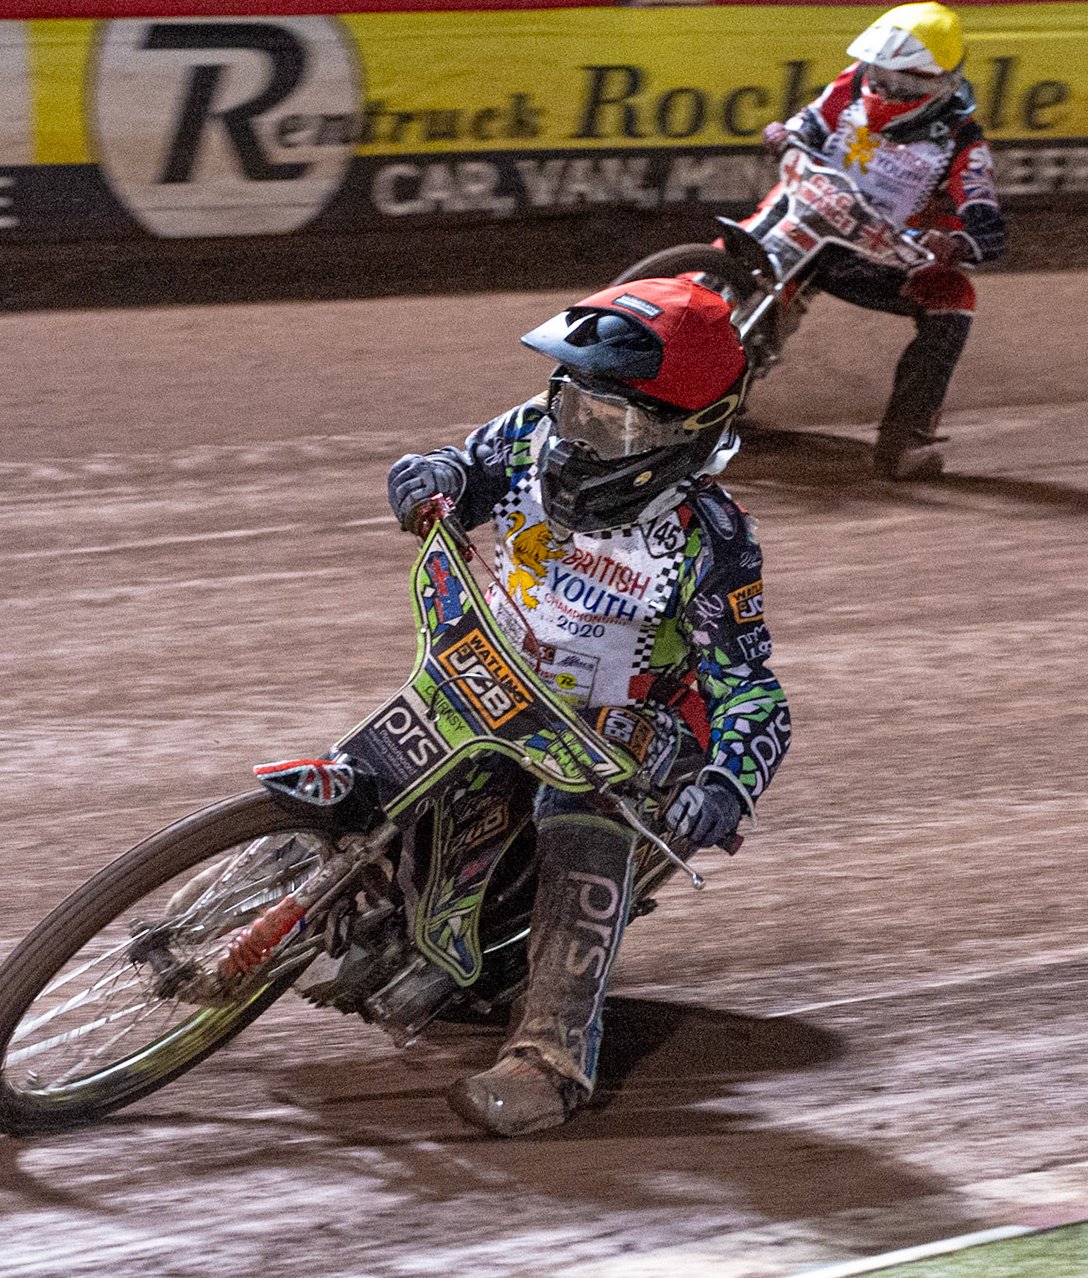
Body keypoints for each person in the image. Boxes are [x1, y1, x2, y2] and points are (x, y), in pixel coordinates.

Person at [386, 277, 791, 1136]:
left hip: (630, 737)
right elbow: (466, 470)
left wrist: (727, 783)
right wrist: (432, 477)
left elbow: (752, 690)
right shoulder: (533, 430)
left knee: (585, 815)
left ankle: (549, 1063)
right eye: (574, 400)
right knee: (394, 755)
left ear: (685, 435)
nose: (575, 434)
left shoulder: (710, 538)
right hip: (497, 680)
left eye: (610, 423)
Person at [762, 1, 1006, 480]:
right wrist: (784, 135)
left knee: (954, 297)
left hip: (877, 255)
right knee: (736, 256)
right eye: (881, 73)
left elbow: (986, 223)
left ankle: (906, 439)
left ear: (940, 83)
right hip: (807, 221)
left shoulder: (964, 141)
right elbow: (808, 125)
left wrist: (956, 245)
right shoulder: (853, 81)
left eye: (905, 82)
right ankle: (708, 379)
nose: (885, 88)